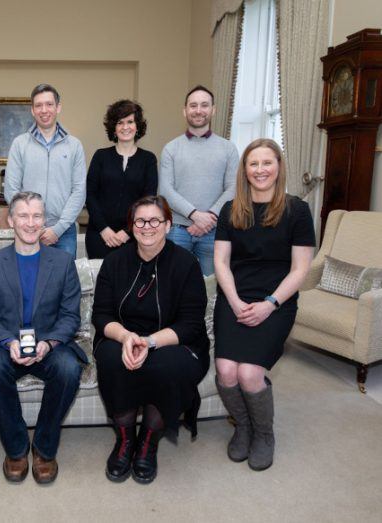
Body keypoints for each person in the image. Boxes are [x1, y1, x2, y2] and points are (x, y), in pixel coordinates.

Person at [92, 195, 209, 484]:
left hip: (171, 341)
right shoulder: (114, 262)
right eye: (140, 221)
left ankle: (148, 442)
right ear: (131, 227)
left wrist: (150, 342)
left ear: (168, 225)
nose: (147, 226)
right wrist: (127, 337)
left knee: (166, 364)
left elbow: (191, 323)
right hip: (124, 336)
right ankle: (124, 439)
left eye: (155, 220)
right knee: (109, 357)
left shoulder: (187, 264)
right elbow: (102, 315)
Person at [213, 138, 315, 471]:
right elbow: (222, 263)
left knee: (250, 372)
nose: (260, 170)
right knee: (227, 370)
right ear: (245, 170)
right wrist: (235, 301)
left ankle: (264, 434)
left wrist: (269, 304)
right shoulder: (231, 209)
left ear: (278, 167)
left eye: (267, 163)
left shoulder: (297, 210)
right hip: (234, 297)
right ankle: (243, 426)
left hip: (277, 301)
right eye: (253, 164)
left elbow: (301, 269)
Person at [0, 191, 85, 484]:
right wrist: (9, 343)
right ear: (10, 220)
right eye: (23, 215)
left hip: (49, 343)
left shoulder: (63, 262)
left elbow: (70, 316)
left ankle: (44, 448)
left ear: (44, 219)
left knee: (69, 367)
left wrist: (49, 343)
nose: (30, 222)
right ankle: (16, 448)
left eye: (37, 215)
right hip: (7, 344)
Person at [159, 85, 238, 275]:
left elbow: (233, 188)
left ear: (213, 110)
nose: (199, 110)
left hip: (214, 232)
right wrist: (196, 215)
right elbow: (165, 190)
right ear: (185, 111)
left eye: (204, 105)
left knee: (210, 289)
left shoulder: (228, 148)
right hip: (177, 231)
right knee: (174, 285)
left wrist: (208, 218)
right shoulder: (171, 148)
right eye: (193, 106)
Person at [4, 84, 86, 257]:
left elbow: (79, 191)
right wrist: (30, 223)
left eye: (49, 104)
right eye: (38, 105)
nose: (44, 110)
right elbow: (11, 189)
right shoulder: (20, 144)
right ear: (32, 110)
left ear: (58, 107)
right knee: (27, 282)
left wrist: (58, 228)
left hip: (64, 232)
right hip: (28, 229)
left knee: (62, 282)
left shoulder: (74, 146)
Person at [86, 99, 158, 259]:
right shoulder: (100, 156)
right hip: (99, 235)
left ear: (137, 126)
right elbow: (90, 195)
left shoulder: (148, 159)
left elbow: (148, 200)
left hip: (134, 237)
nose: (125, 127)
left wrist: (127, 232)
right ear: (114, 127)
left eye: (130, 122)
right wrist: (104, 229)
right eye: (120, 122)